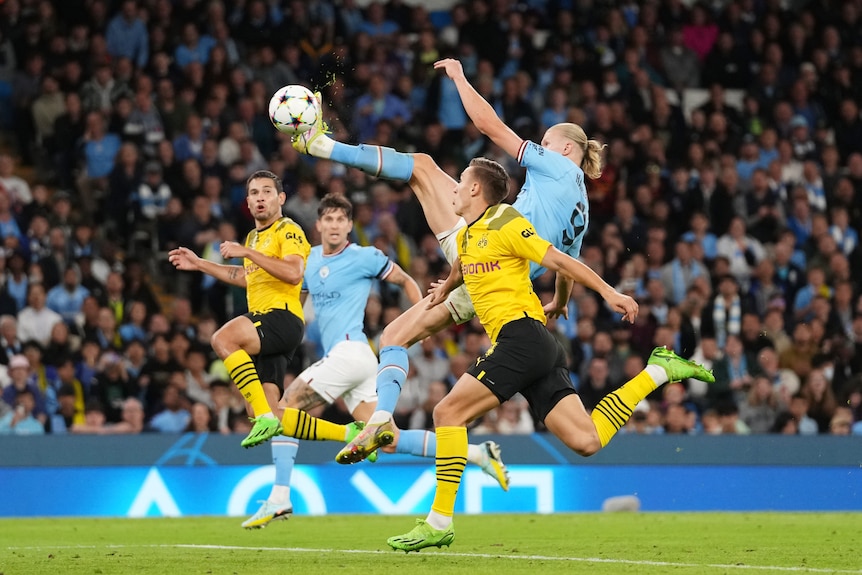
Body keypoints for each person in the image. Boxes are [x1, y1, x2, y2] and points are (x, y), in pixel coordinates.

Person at [384, 156, 714, 552]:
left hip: (520, 338)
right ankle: (659, 372)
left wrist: (609, 292)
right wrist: (444, 289)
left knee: (446, 413)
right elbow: (462, 262)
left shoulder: (506, 221)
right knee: (587, 441)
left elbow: (559, 259)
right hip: (536, 345)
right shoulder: (470, 236)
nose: (453, 188)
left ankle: (438, 522)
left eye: (460, 182)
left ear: (475, 189)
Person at [291, 57, 599, 463]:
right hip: (491, 284)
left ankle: (321, 145)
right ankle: (381, 419)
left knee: (420, 166)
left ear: (564, 148)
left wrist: (459, 78)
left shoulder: (556, 163)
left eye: (545, 142)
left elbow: (491, 127)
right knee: (394, 335)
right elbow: (563, 264)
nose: (539, 148)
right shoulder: (582, 208)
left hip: (487, 249)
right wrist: (560, 302)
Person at [242, 194, 510, 529]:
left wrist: (421, 322)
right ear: (319, 225)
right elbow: (265, 281)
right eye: (329, 219)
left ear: (351, 226)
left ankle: (280, 497)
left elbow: (406, 281)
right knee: (391, 440)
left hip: (351, 352)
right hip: (355, 363)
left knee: (282, 409)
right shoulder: (307, 261)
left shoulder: (365, 256)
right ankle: (478, 454)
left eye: (342, 219)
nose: (335, 225)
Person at [169, 170, 309, 448]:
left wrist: (247, 253)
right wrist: (200, 264)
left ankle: (266, 418)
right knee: (260, 410)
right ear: (247, 201)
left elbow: (294, 273)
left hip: (280, 317)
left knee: (222, 339)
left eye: (267, 191)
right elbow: (245, 277)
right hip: (270, 328)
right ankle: (348, 433)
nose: (260, 198)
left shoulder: (287, 229)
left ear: (280, 198)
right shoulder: (253, 239)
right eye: (254, 193)